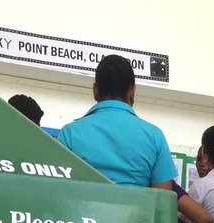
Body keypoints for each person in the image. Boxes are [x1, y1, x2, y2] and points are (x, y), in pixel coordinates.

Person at [58, 55, 175, 189]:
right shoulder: (155, 137)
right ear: (132, 91)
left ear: (95, 91)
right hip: (138, 210)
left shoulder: (69, 134)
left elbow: (58, 192)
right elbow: (163, 201)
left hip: (82, 210)